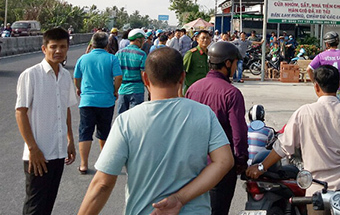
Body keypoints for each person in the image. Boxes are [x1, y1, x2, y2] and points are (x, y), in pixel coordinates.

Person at [77, 47, 234, 215]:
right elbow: (224, 161)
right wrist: (180, 198)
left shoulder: (127, 121)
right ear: (182, 77)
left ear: (145, 78)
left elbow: (102, 184)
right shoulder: (204, 114)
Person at [247, 65, 340, 214]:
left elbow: (283, 147)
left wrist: (261, 167)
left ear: (316, 87)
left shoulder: (305, 113)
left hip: (317, 193)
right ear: (339, 86)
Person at [15, 27, 78, 215]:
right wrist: (33, 148)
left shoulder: (66, 76)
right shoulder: (31, 75)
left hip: (58, 152)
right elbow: (20, 112)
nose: (58, 51)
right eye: (53, 47)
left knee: (48, 203)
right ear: (44, 49)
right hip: (38, 154)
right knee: (35, 206)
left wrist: (70, 140)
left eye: (63, 47)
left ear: (67, 48)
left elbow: (65, 108)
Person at [186, 41, 248, 215]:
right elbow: (239, 134)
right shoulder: (231, 93)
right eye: (235, 63)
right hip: (220, 166)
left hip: (193, 164)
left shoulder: (193, 89)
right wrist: (240, 161)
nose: (236, 67)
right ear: (227, 63)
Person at [73, 31, 123, 175]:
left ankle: (83, 164)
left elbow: (76, 77)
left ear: (92, 44)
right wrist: (115, 90)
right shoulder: (112, 59)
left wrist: (79, 88)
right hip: (106, 101)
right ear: (107, 44)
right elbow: (118, 77)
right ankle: (104, 163)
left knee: (85, 132)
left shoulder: (83, 59)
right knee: (104, 132)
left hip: (87, 100)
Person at [307, 31, 340, 100]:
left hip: (324, 91)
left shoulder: (321, 56)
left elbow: (309, 69)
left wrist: (315, 83)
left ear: (327, 44)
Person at [115, 28, 147, 114]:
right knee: (136, 118)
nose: (144, 42)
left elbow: (116, 74)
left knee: (121, 117)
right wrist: (149, 88)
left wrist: (115, 90)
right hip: (137, 90)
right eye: (143, 40)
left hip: (122, 89)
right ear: (138, 40)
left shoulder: (119, 53)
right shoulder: (141, 54)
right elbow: (143, 74)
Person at [181, 30, 211, 96]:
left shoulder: (210, 54)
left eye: (207, 38)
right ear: (197, 40)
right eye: (203, 38)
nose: (205, 40)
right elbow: (182, 73)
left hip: (205, 90)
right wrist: (180, 93)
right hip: (192, 91)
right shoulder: (192, 54)